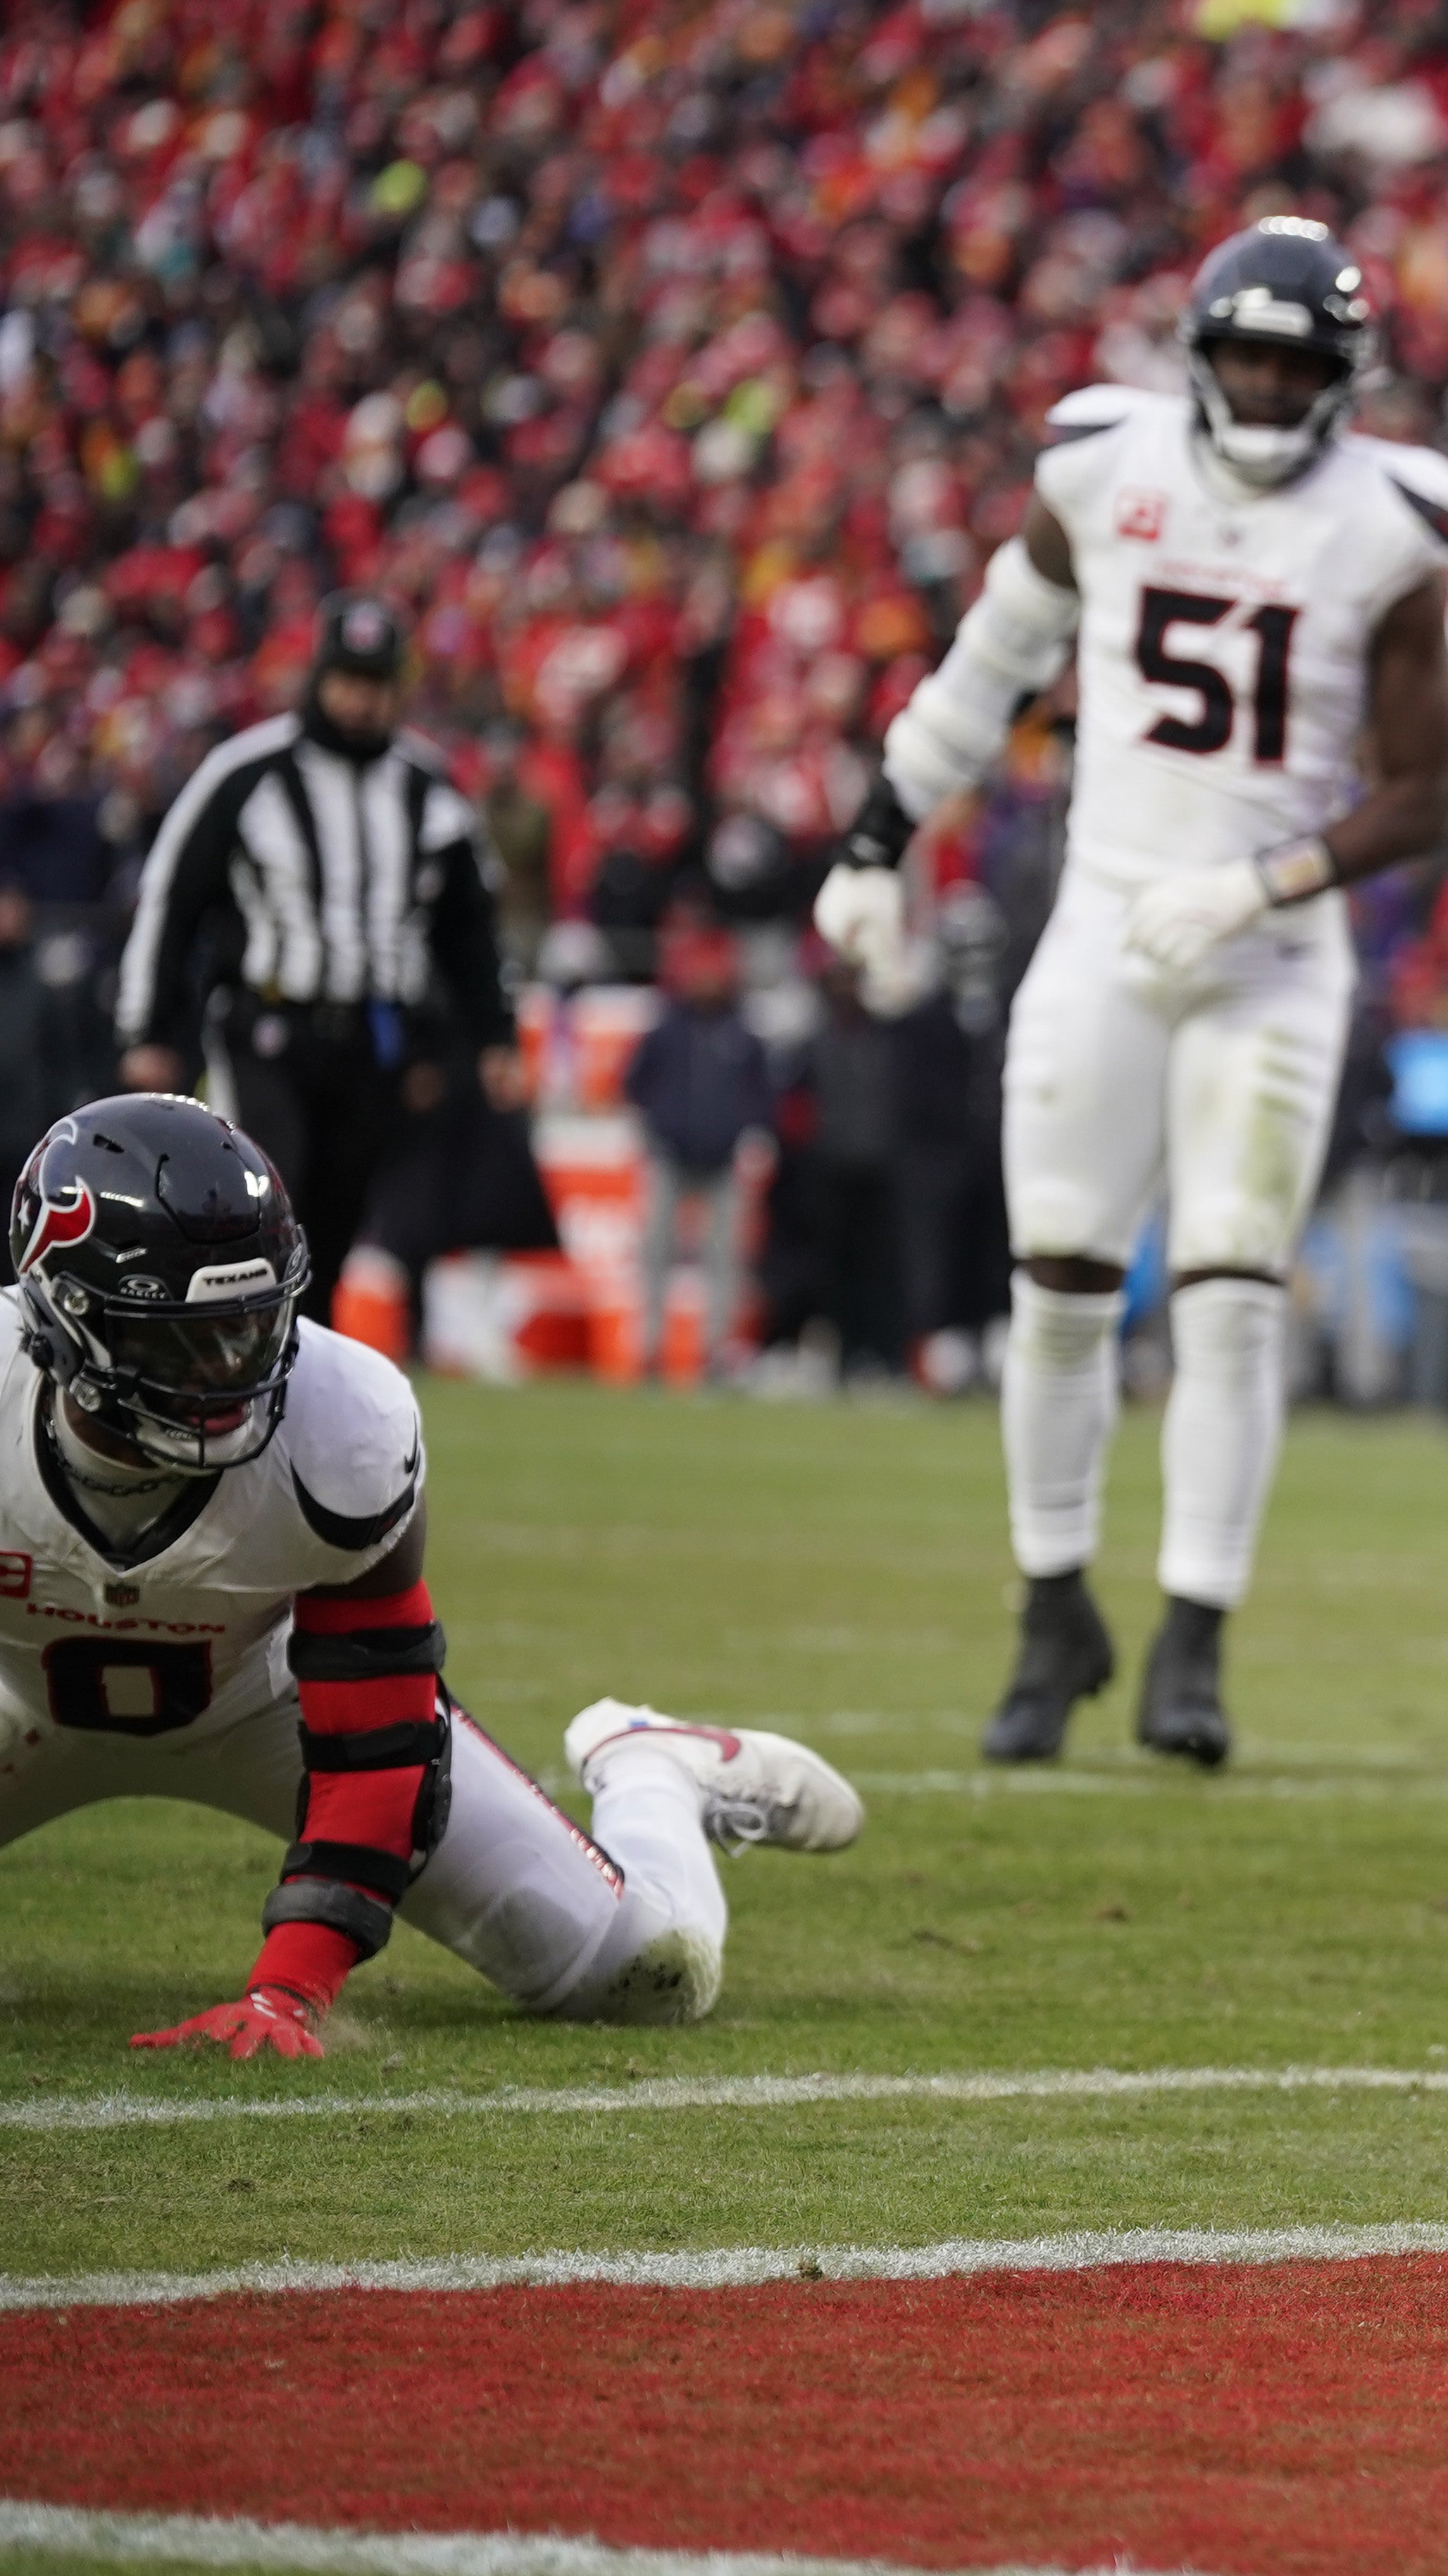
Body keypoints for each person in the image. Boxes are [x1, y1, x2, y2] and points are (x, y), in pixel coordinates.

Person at [811, 220, 1448, 1771]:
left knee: (1233, 1295)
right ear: (1195, 353)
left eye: (1294, 362)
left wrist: (1259, 887)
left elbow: (1424, 795)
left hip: (1266, 953)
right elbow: (984, 669)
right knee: (1055, 1286)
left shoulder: (1388, 526)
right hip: (1105, 924)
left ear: (1341, 380)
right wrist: (873, 842)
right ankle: (1052, 1613)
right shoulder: (1101, 473)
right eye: (1244, 353)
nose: (1263, 383)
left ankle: (1193, 1639)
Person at [0, 1096, 854, 2053]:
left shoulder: (343, 1423)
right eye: (183, 1338)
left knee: (644, 1971)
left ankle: (652, 1766)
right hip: (16, 1695)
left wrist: (291, 1990)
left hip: (262, 1699)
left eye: (250, 1323)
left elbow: (378, 1737)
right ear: (63, 1317)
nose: (230, 1368)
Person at [111, 593, 525, 1329]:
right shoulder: (247, 772)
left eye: (376, 683)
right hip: (268, 1024)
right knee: (268, 1193)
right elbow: (172, 900)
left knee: (337, 1218)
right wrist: (149, 1029)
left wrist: (495, 1034)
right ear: (318, 678)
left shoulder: (425, 785)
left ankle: (308, 1376)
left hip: (371, 1034)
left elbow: (471, 925)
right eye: (348, 680)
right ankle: (234, 1350)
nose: (360, 700)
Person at [621, 921, 771, 1389]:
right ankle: (650, 1350)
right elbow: (634, 1083)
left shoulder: (742, 1032)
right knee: (655, 1255)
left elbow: (762, 1095)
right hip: (671, 1154)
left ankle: (716, 1354)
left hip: (722, 1160)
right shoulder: (667, 1028)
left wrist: (746, 1135)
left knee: (724, 1261)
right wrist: (656, 1128)